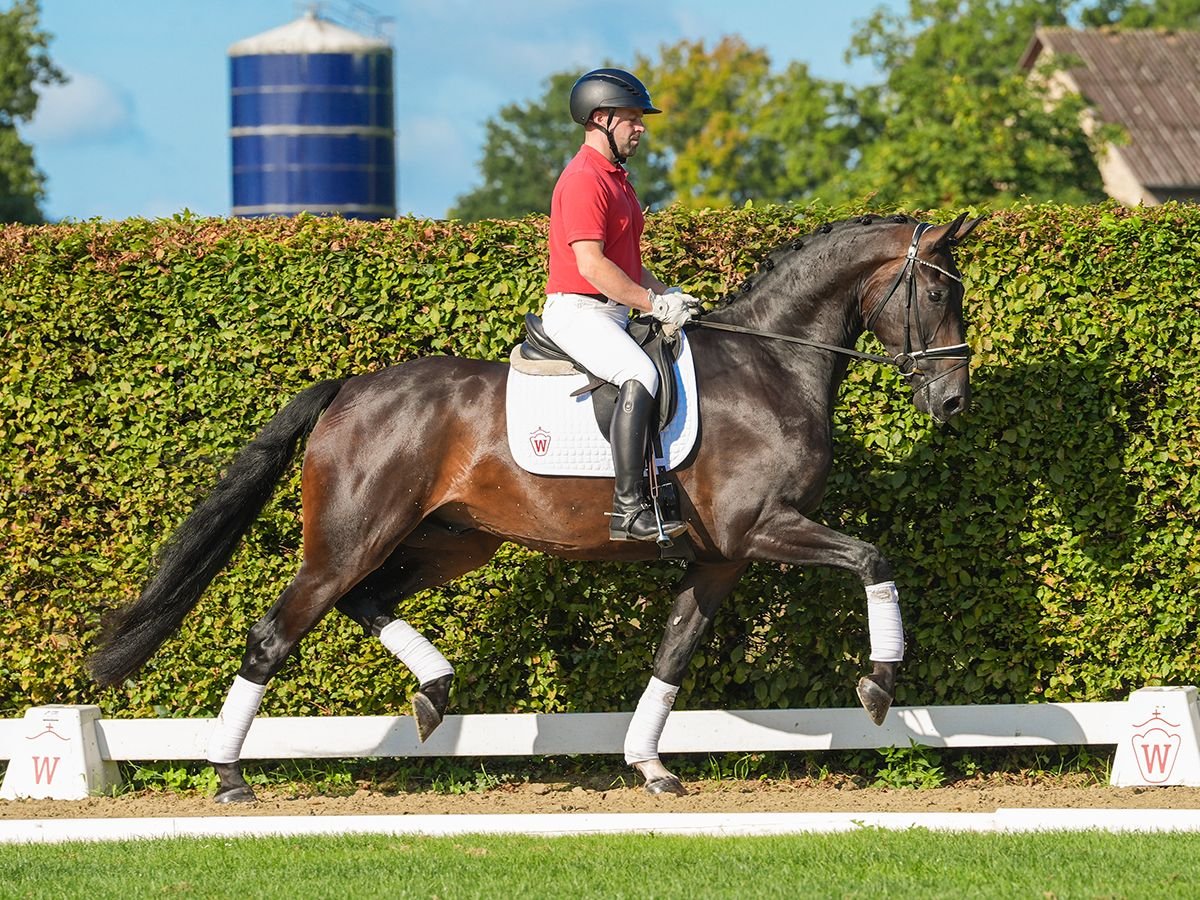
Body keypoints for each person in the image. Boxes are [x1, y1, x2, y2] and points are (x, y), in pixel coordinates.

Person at [541, 67, 700, 543]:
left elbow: (627, 264)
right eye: (632, 118)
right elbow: (591, 265)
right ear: (602, 118)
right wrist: (651, 303)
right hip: (579, 312)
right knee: (641, 374)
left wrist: (668, 295)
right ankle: (629, 510)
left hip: (611, 311)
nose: (641, 128)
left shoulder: (617, 180)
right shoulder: (585, 179)